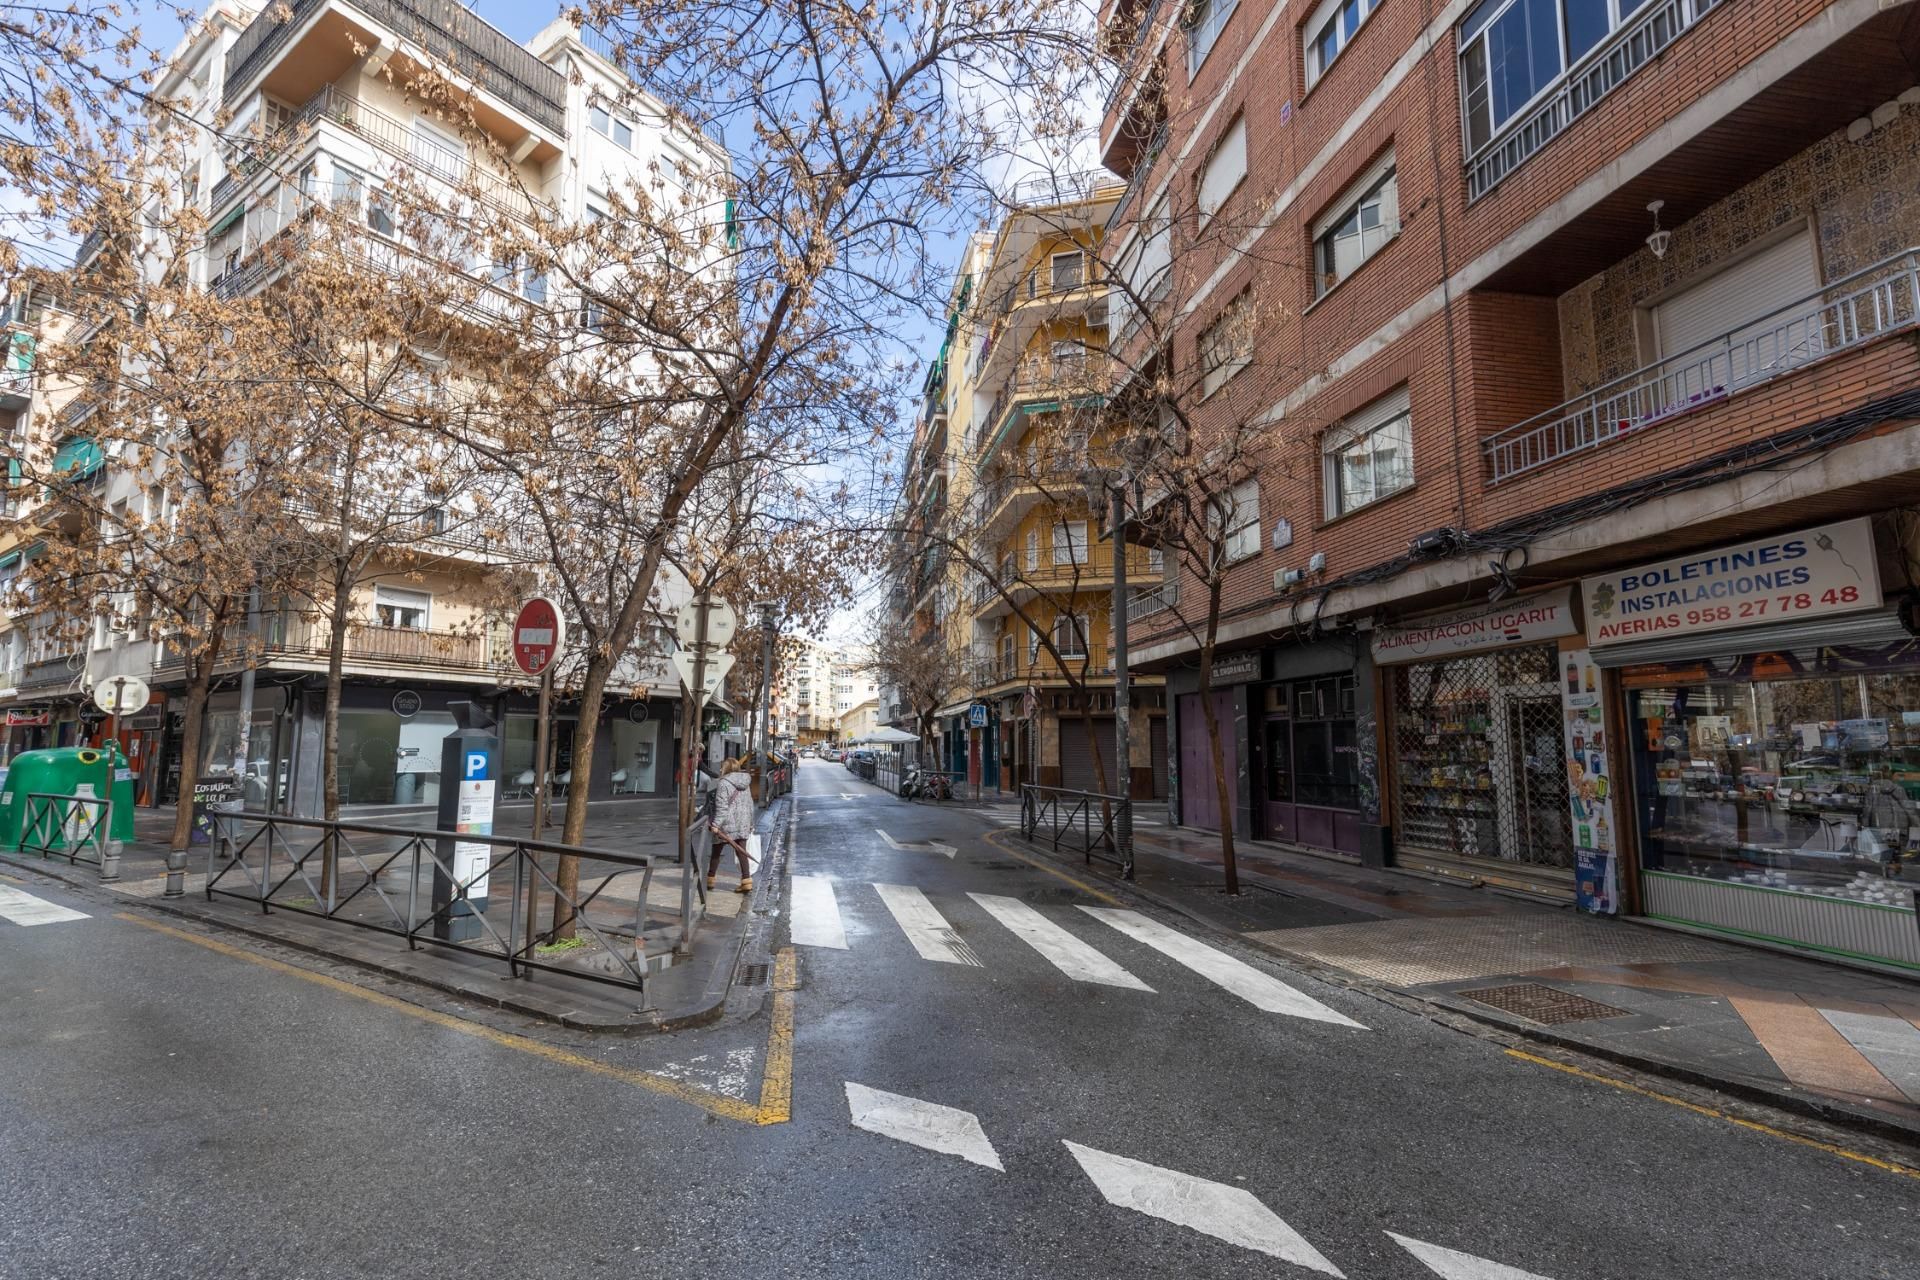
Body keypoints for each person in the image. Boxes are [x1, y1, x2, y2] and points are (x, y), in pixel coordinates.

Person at [707, 755, 755, 893]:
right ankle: (746, 881)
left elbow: (722, 807)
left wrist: (715, 824)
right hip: (743, 822)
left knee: (716, 851)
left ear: (726, 768)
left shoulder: (723, 783)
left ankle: (710, 880)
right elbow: (750, 804)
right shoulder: (745, 782)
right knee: (742, 852)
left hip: (726, 824)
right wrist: (751, 822)